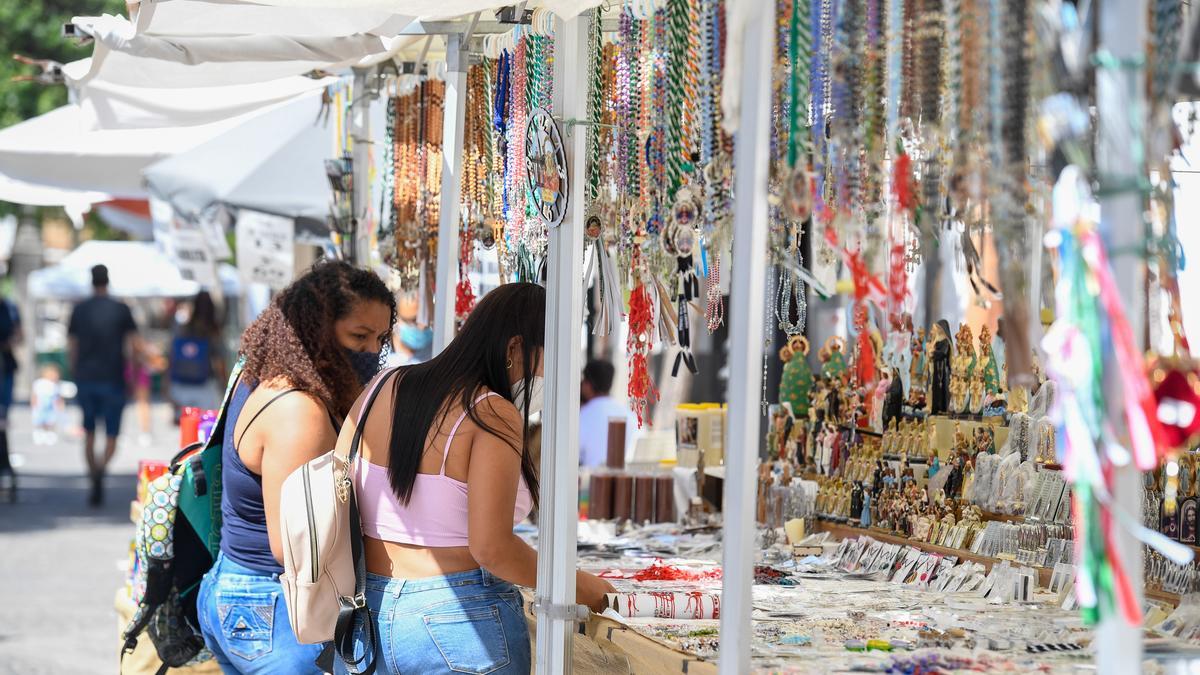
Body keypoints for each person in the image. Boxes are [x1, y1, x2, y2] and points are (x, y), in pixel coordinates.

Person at [335, 283, 613, 675]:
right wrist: (577, 585)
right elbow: (492, 548)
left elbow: (338, 490)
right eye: (550, 360)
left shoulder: (381, 387)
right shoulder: (490, 411)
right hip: (459, 621)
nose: (549, 376)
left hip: (370, 615)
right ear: (515, 348)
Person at [196, 260, 395, 675]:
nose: (371, 351)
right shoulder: (299, 411)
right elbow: (293, 547)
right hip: (275, 606)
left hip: (248, 596)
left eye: (379, 338)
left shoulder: (267, 378)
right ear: (316, 330)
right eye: (358, 336)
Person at [68, 265, 139, 506]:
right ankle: (100, 470)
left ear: (91, 281)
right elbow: (131, 346)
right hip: (113, 378)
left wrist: (75, 371)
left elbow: (72, 346)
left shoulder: (79, 310)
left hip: (87, 378)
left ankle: (93, 475)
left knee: (89, 432)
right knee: (112, 434)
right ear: (108, 281)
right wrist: (132, 374)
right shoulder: (121, 309)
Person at [169, 290, 226, 413]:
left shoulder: (184, 329)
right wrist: (225, 383)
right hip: (206, 384)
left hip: (182, 383)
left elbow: (173, 355)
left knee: (187, 425)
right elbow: (218, 360)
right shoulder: (212, 331)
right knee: (207, 424)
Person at [578, 359, 639, 467]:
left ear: (588, 384)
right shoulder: (630, 416)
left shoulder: (582, 416)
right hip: (624, 481)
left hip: (591, 482)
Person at [0, 293, 19, 500]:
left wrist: (10, 342)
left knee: (2, 422)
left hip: (5, 370)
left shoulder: (10, 308)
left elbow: (18, 335)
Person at [31, 364, 65, 445]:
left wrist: (61, 406)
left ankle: (50, 435)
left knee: (50, 422)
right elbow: (34, 395)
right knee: (39, 421)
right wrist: (34, 404)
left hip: (51, 408)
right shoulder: (39, 383)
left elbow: (58, 397)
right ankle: (39, 434)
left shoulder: (56, 385)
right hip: (41, 407)